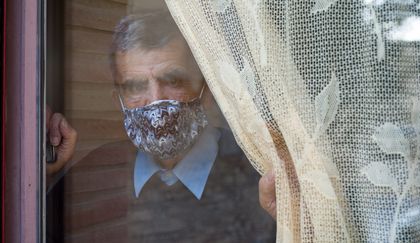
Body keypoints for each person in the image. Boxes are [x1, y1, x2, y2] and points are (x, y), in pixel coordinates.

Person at [48, 12, 276, 242]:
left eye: (173, 81)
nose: (156, 100)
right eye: (136, 87)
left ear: (206, 92)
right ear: (118, 101)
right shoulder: (85, 182)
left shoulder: (261, 180)